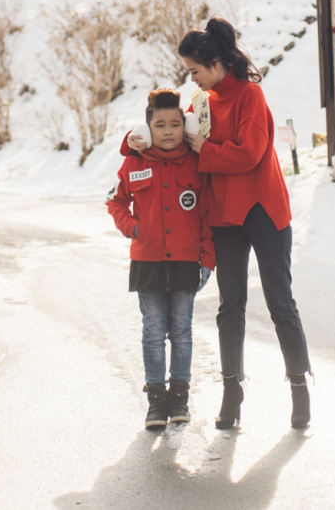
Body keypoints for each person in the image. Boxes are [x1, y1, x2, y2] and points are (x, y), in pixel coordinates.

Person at [127, 17, 312, 431]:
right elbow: (170, 133)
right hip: (224, 216)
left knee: (280, 302)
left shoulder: (251, 97)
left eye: (194, 69)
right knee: (230, 307)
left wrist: (206, 149)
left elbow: (248, 154)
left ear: (213, 62)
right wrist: (134, 139)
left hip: (264, 211)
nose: (190, 77)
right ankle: (233, 391)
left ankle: (299, 385)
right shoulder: (201, 101)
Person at [106, 88, 215, 431]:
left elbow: (208, 214)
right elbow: (115, 202)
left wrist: (207, 259)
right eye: (160, 125)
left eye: (174, 124)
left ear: (185, 126)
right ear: (147, 128)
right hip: (148, 261)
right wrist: (133, 228)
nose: (168, 131)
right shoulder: (133, 163)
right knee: (153, 331)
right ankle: (156, 400)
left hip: (185, 261)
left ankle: (179, 397)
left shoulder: (197, 164)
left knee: (181, 331)